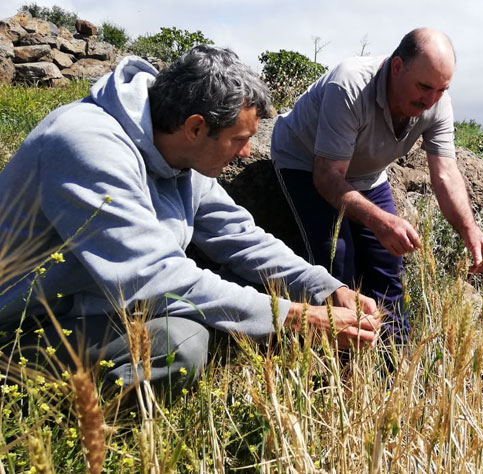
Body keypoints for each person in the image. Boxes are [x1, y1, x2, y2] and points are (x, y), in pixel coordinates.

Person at [0, 45, 381, 389]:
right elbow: (153, 276)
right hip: (20, 328)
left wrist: (325, 289)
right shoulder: (86, 144)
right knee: (178, 344)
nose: (247, 153)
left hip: (87, 312)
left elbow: (240, 237)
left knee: (231, 313)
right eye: (239, 139)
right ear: (196, 127)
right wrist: (295, 316)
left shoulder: (181, 158)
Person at [271, 28, 483, 343]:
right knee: (337, 259)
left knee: (387, 266)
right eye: (424, 87)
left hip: (366, 174)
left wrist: (470, 231)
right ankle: (339, 370)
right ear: (396, 67)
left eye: (441, 90)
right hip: (307, 163)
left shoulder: (436, 103)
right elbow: (326, 176)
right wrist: (379, 220)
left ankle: (391, 371)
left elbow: (445, 173)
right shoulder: (349, 85)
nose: (430, 100)